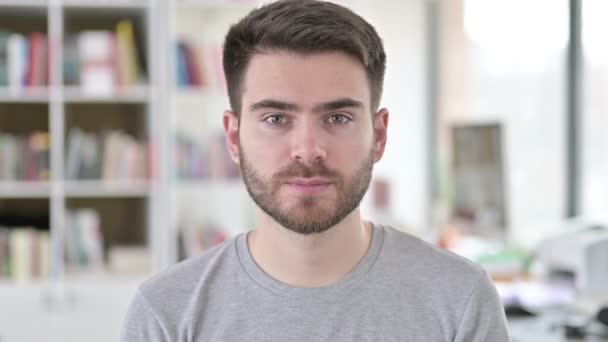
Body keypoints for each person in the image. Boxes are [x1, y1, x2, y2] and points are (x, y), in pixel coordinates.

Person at [121, 0, 511, 341]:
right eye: (276, 118)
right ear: (233, 136)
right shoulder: (166, 314)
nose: (308, 150)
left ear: (378, 135)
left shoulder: (460, 300)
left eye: (338, 117)